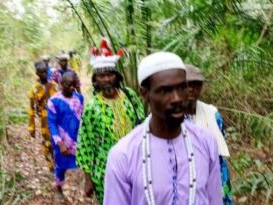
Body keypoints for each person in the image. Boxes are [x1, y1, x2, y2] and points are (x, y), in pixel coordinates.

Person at [104, 52, 223, 205]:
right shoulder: (123, 155)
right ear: (145, 94)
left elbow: (215, 200)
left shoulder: (206, 142)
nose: (177, 98)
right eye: (165, 91)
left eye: (181, 87)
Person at [76, 38, 145, 204]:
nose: (106, 79)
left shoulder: (129, 96)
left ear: (116, 76)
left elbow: (143, 125)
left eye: (109, 74)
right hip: (105, 170)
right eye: (101, 76)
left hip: (135, 165)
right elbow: (85, 143)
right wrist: (88, 179)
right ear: (96, 80)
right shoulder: (92, 107)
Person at [185, 64, 233, 204]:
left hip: (215, 172)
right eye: (187, 85)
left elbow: (219, 142)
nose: (191, 90)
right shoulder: (172, 119)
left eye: (196, 85)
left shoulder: (212, 114)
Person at [47, 72, 84, 199]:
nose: (72, 88)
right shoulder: (53, 101)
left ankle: (86, 186)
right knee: (60, 166)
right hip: (61, 141)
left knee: (83, 162)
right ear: (61, 84)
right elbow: (51, 123)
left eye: (73, 85)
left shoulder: (79, 98)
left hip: (76, 138)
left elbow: (81, 117)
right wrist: (60, 142)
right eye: (68, 85)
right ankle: (59, 187)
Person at [27, 61, 57, 171]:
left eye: (45, 72)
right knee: (46, 141)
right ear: (37, 73)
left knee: (56, 140)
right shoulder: (35, 89)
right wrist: (32, 127)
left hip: (55, 117)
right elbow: (31, 109)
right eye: (41, 72)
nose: (44, 74)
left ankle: (57, 162)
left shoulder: (53, 85)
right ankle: (50, 165)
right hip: (43, 119)